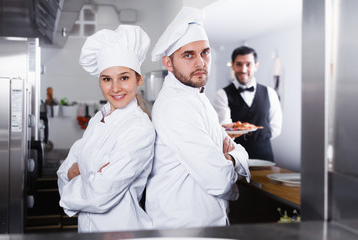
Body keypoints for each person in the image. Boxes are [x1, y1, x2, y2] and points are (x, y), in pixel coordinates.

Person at [145, 7, 250, 229]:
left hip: (205, 225)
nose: (201, 62)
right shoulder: (175, 105)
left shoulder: (197, 97)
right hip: (182, 228)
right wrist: (233, 159)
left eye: (205, 52)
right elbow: (218, 179)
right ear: (168, 64)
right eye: (188, 55)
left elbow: (231, 151)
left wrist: (230, 157)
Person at [57, 25, 155, 233]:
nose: (115, 88)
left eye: (124, 77)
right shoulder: (98, 118)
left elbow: (100, 194)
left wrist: (79, 174)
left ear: (138, 79)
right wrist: (85, 175)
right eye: (107, 79)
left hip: (122, 231)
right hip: (87, 230)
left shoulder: (139, 128)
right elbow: (65, 170)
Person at [213, 46, 282, 162]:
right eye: (239, 64)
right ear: (233, 65)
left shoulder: (270, 93)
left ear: (256, 66)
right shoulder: (222, 95)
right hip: (234, 158)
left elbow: (275, 128)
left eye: (248, 64)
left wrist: (258, 138)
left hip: (265, 157)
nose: (243, 69)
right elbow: (224, 129)